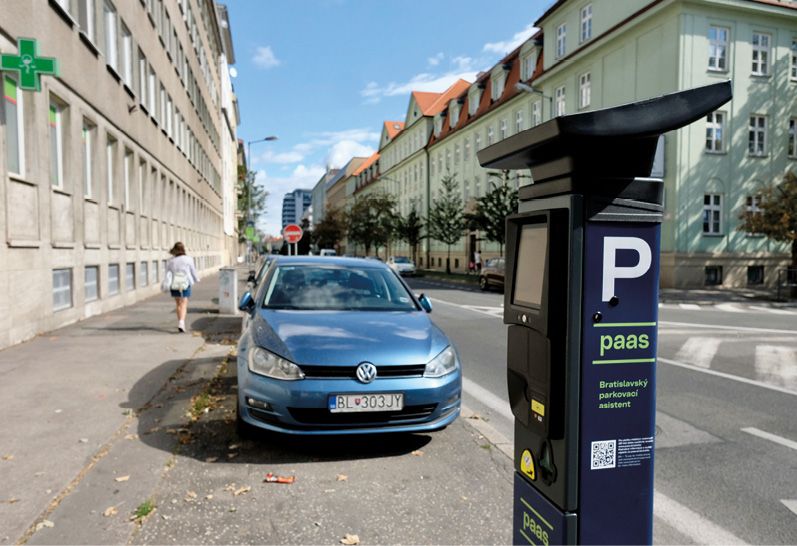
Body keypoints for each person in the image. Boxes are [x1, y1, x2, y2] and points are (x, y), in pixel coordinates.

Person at [165, 242, 199, 333]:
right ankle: (181, 322)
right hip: (185, 283)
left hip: (175, 283)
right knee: (184, 303)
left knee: (178, 304)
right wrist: (196, 279)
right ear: (183, 249)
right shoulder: (188, 259)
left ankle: (180, 321)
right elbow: (193, 270)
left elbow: (168, 272)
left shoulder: (171, 261)